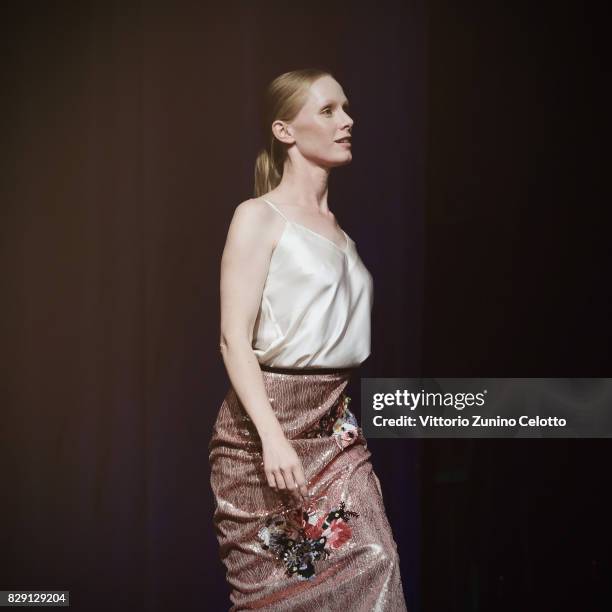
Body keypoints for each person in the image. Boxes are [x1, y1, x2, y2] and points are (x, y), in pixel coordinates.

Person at [209, 68, 408, 611]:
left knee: (377, 562)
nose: (347, 121)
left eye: (345, 108)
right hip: (261, 433)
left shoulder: (342, 233)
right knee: (275, 597)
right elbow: (233, 339)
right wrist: (273, 437)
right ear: (285, 131)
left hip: (337, 427)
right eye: (327, 110)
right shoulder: (258, 217)